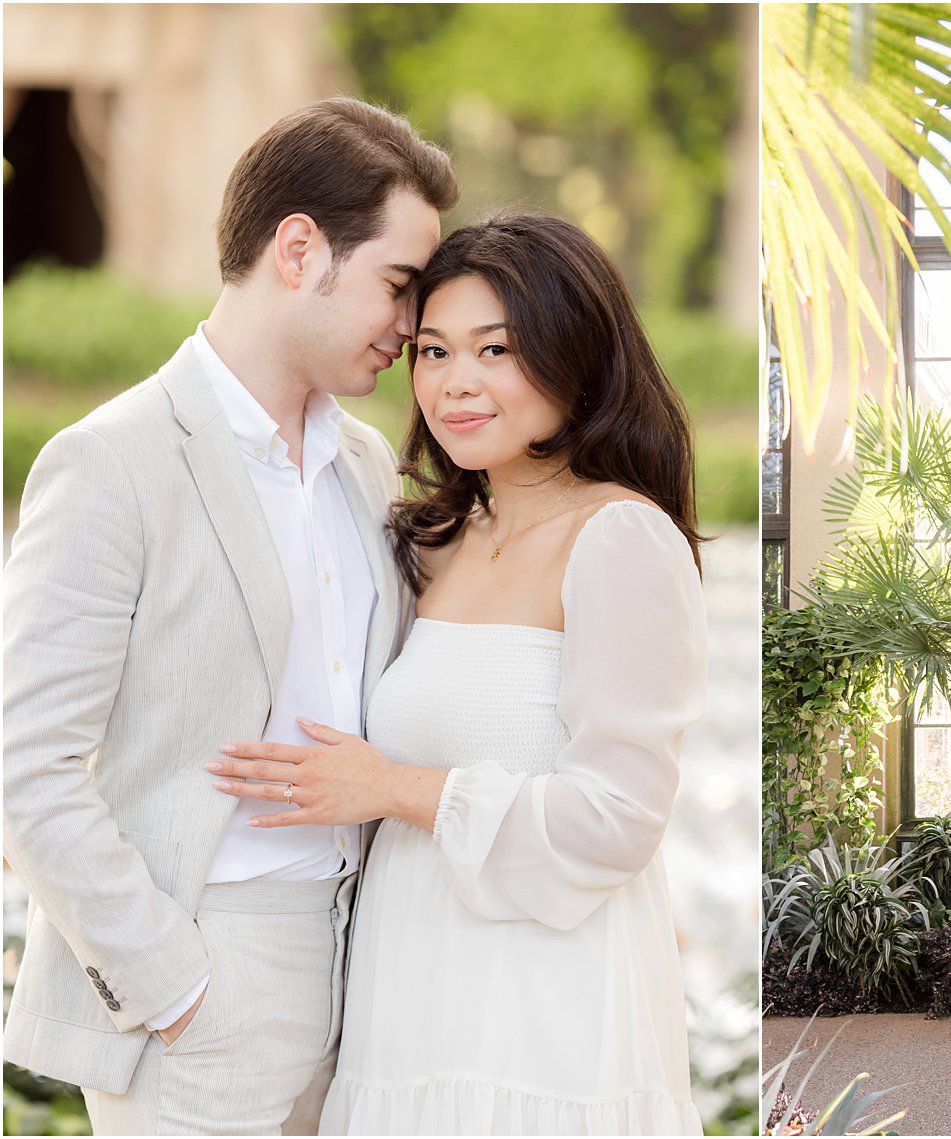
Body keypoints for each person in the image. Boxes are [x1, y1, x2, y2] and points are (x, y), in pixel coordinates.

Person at [2, 98, 457, 1135]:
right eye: (397, 285)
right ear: (298, 250)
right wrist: (173, 984)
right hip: (204, 972)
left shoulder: (365, 461)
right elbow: (26, 763)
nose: (410, 325)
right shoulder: (112, 459)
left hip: (361, 967)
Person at [207, 213, 708, 1135]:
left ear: (576, 354)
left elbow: (619, 818)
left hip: (542, 1017)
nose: (455, 382)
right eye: (433, 350)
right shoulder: (432, 541)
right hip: (406, 1005)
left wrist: (393, 787)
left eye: (497, 349)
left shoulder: (621, 540)